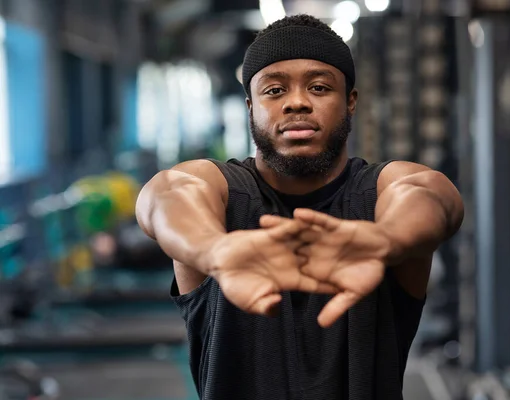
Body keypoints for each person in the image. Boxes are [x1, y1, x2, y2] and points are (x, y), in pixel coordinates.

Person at [136, 14, 464, 400]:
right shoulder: (222, 195)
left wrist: (385, 239)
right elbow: (169, 194)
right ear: (250, 107)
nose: (296, 103)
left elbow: (432, 195)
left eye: (320, 87)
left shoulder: (377, 196)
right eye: (274, 91)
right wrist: (215, 250)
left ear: (351, 102)